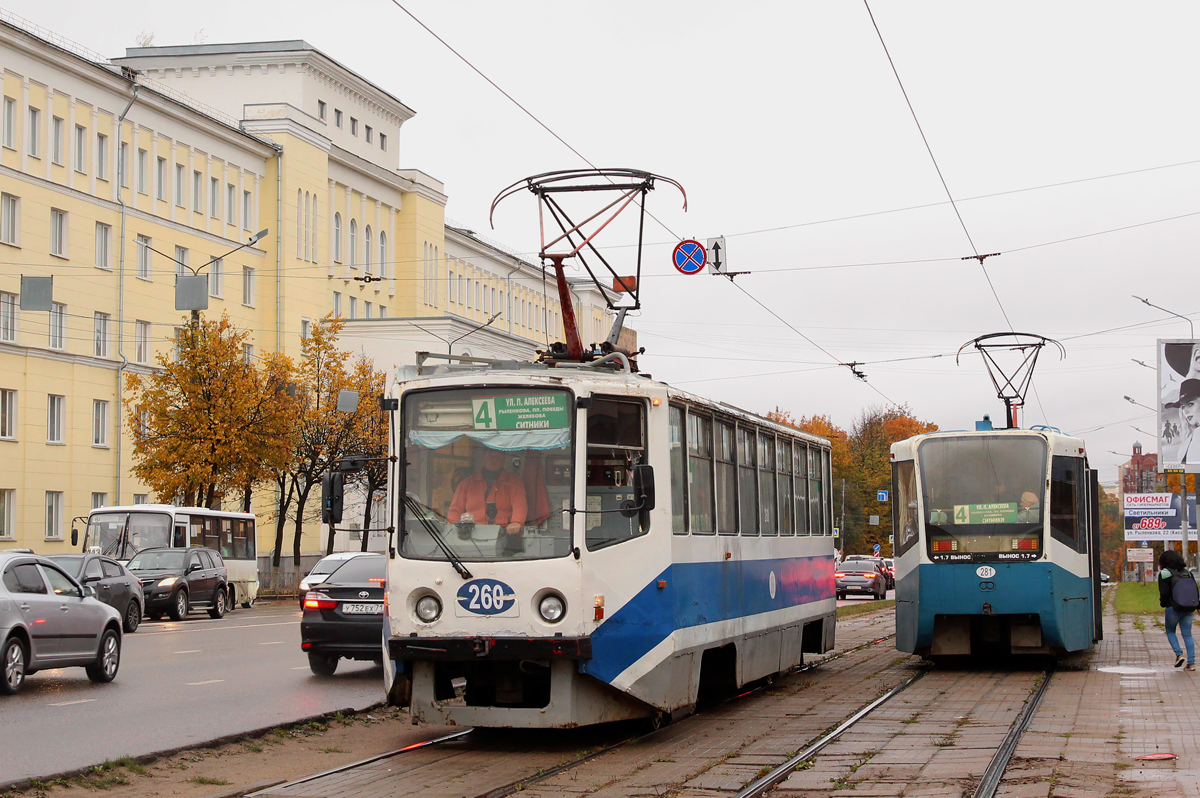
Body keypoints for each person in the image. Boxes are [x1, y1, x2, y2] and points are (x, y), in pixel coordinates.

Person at [448, 448, 528, 536]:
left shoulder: (513, 481)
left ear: (504, 459)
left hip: (503, 535)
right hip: (471, 535)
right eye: (490, 456)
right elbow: (455, 510)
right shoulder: (467, 483)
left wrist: (516, 522)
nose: (494, 460)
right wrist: (454, 529)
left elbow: (519, 503)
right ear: (484, 457)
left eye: (498, 457)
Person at [1157, 549, 1196, 671]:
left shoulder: (1165, 573)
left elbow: (1164, 593)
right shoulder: (1187, 573)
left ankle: (1179, 654)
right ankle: (1191, 663)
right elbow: (1195, 590)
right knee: (1187, 635)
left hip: (1173, 607)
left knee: (1170, 631)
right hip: (1189, 608)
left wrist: (1163, 603)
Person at [1166, 379, 1200, 465]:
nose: (1186, 411)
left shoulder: (1197, 433)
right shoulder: (1192, 435)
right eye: (1183, 407)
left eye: (1190, 404)